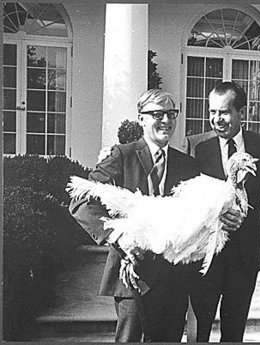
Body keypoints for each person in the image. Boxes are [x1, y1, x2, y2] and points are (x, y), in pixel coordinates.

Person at [69, 89, 201, 342]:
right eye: (157, 114)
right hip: (132, 274)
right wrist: (117, 235)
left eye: (171, 114)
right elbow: (81, 201)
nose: (166, 120)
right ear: (141, 118)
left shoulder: (187, 164)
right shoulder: (122, 155)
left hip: (173, 278)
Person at [189, 81, 260, 342]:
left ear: (242, 113)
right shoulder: (198, 148)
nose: (217, 119)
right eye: (212, 112)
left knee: (234, 331)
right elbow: (188, 200)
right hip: (207, 255)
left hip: (245, 256)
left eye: (224, 112)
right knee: (199, 330)